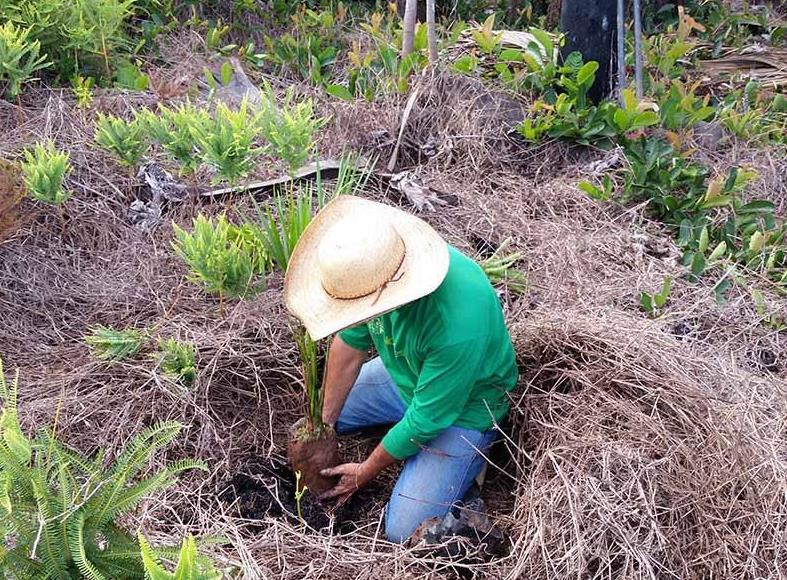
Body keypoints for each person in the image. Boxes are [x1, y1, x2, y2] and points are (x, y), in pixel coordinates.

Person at [284, 195, 518, 543]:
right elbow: (349, 346)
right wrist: (326, 422)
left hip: (466, 407)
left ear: (391, 289)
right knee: (330, 412)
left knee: (403, 529)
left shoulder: (456, 320)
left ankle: (470, 471)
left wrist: (365, 471)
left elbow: (427, 418)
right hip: (406, 377)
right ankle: (407, 444)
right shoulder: (367, 270)